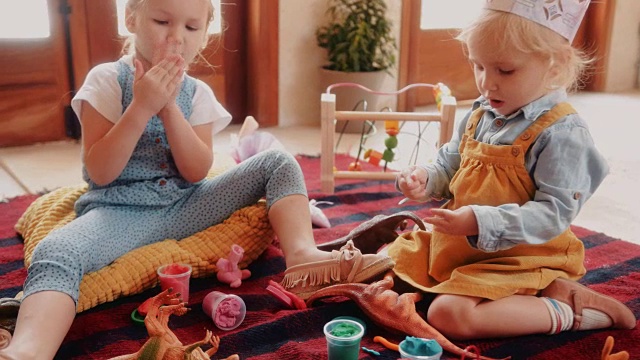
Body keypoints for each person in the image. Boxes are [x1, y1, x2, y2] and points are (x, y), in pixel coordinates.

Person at [0, 0, 393, 358]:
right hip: (119, 211)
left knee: (276, 161)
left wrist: (169, 107)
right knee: (59, 250)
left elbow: (196, 171)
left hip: (188, 203)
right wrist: (141, 105)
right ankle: (27, 350)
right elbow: (100, 172)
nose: (175, 37)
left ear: (206, 33)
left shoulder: (197, 93)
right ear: (131, 19)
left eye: (191, 28)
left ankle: (303, 259)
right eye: (161, 21)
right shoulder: (105, 80)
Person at [388, 0, 636, 341]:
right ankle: (540, 294)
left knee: (449, 314)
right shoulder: (481, 111)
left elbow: (553, 215)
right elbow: (452, 163)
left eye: (505, 71)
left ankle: (569, 310)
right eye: (478, 66)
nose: (486, 84)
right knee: (386, 261)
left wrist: (479, 221)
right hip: (464, 249)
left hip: (523, 257)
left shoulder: (562, 133)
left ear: (555, 66)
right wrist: (426, 177)